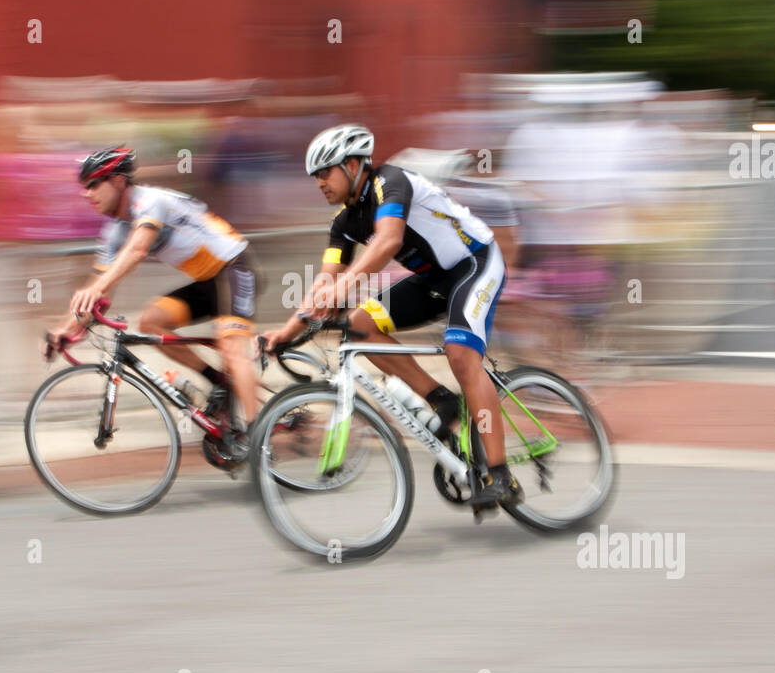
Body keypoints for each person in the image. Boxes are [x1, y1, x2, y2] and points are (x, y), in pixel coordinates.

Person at [261, 124, 521, 510]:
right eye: (315, 176)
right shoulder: (344, 223)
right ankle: (441, 398)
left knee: (461, 355)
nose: (319, 183)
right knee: (358, 325)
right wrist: (287, 331)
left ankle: (500, 476)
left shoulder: (389, 181)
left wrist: (342, 287)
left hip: (475, 264)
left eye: (325, 172)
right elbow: (324, 284)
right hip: (432, 280)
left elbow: (389, 241)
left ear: (352, 165)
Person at [43, 144, 260, 432]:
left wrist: (97, 289)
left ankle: (259, 436)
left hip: (234, 267)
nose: (87, 193)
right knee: (150, 323)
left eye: (94, 184)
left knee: (232, 348)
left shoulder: (150, 201)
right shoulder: (115, 232)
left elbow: (137, 251)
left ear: (119, 181)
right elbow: (98, 290)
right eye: (85, 186)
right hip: (208, 281)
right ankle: (219, 381)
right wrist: (64, 329)